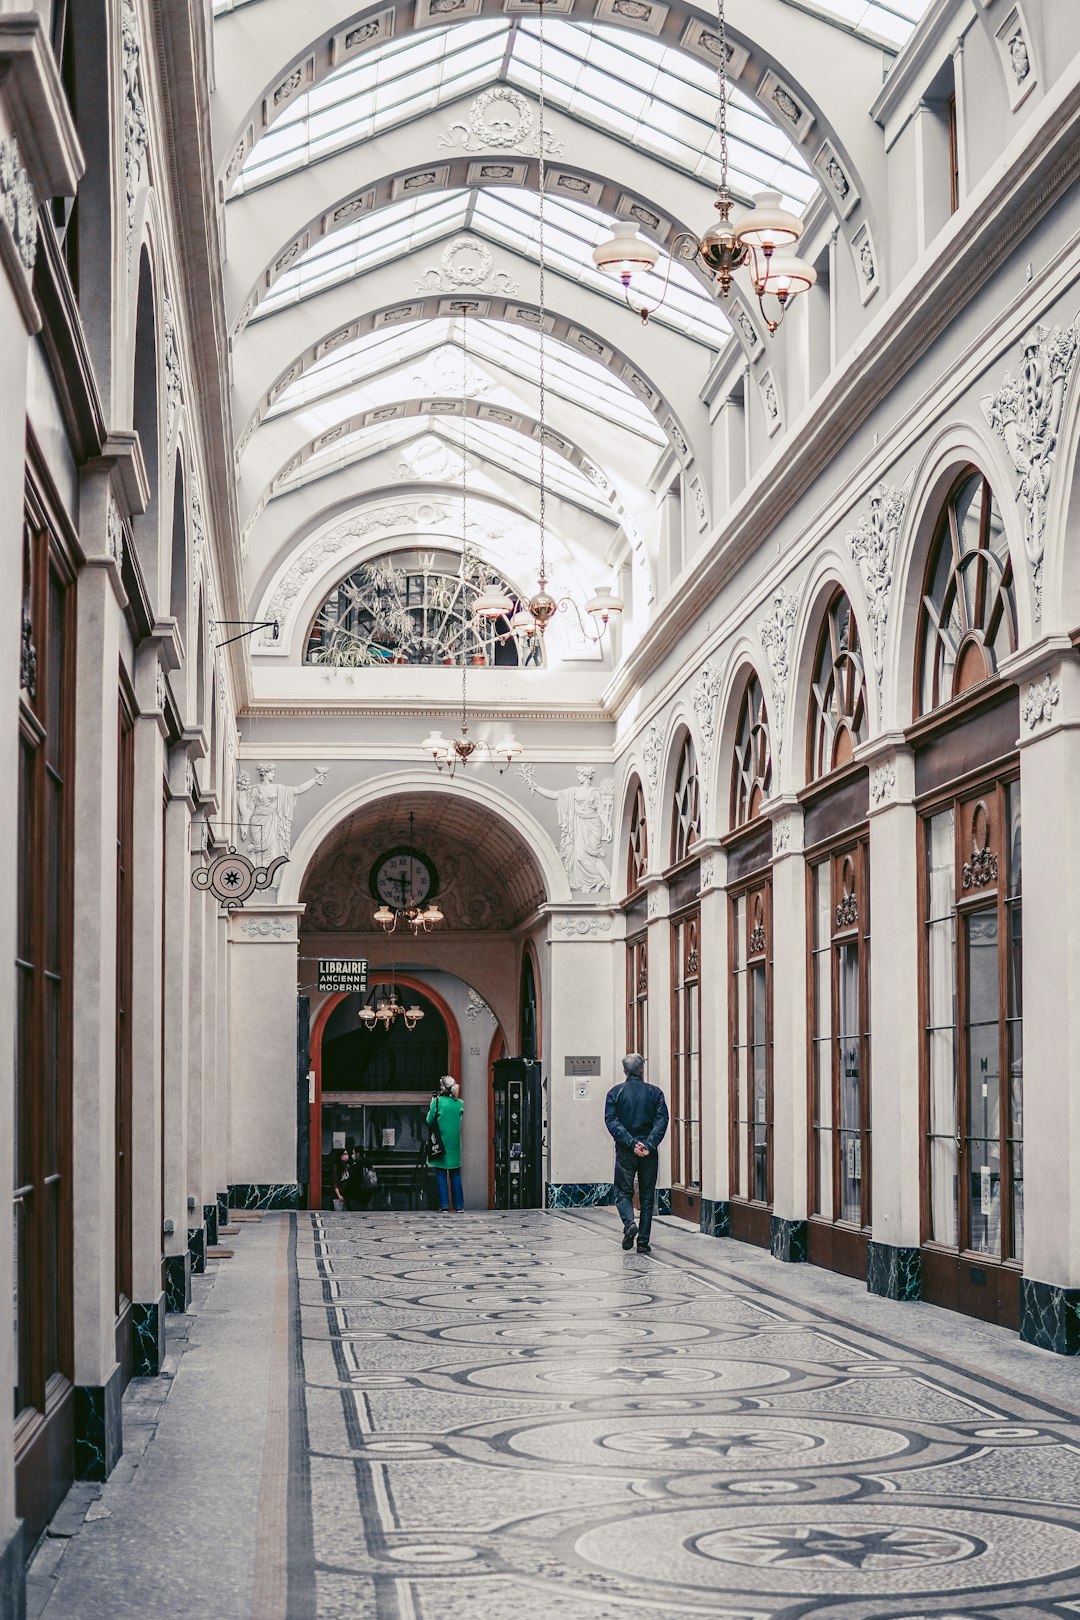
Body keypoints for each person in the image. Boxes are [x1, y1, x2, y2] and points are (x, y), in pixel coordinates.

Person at [604, 1053, 669, 1254]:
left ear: (625, 1071)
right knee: (647, 1195)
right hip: (649, 1153)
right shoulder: (655, 1093)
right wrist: (648, 1144)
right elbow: (662, 1120)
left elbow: (611, 1121)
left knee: (623, 1192)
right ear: (642, 1069)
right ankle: (643, 1241)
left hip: (625, 1151)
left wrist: (631, 1143)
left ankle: (629, 1223)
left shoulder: (615, 1093)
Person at [426, 1075, 464, 1212]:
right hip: (454, 1145)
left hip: (441, 1143)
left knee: (441, 1175)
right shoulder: (459, 1103)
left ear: (442, 1088)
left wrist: (432, 1105)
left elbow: (429, 1121)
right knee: (455, 1175)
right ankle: (459, 1206)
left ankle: (444, 1205)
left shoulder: (437, 1102)